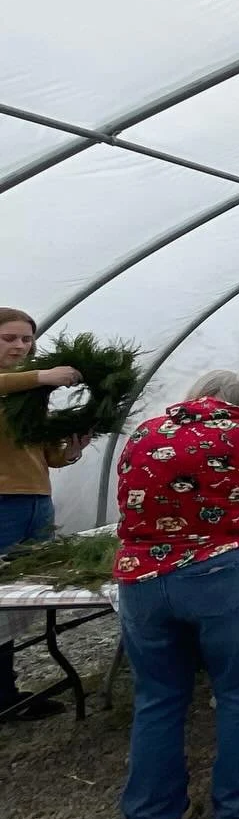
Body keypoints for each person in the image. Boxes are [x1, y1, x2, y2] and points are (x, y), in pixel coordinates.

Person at [113, 370, 239, 819]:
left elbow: (126, 505)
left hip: (140, 577)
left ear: (194, 398)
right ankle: (237, 815)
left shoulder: (145, 432)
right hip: (216, 571)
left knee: (157, 697)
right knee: (238, 691)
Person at [0, 307, 89, 720]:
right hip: (3, 503)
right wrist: (43, 376)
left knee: (23, 594)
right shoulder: (21, 384)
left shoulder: (28, 395)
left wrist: (70, 451)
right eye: (10, 339)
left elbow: (45, 454)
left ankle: (7, 688)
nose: (20, 346)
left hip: (36, 500)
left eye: (26, 339)